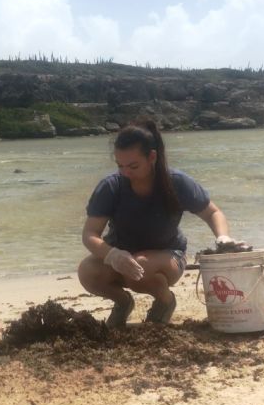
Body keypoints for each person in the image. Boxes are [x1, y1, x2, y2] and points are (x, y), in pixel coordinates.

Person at [78, 117, 246, 327]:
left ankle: (165, 301)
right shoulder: (111, 187)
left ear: (152, 157)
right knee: (87, 271)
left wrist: (223, 238)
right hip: (122, 257)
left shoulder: (176, 182)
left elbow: (213, 213)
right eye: (120, 166)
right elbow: (89, 235)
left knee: (140, 265)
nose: (125, 173)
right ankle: (123, 303)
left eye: (133, 166)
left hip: (168, 258)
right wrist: (113, 255)